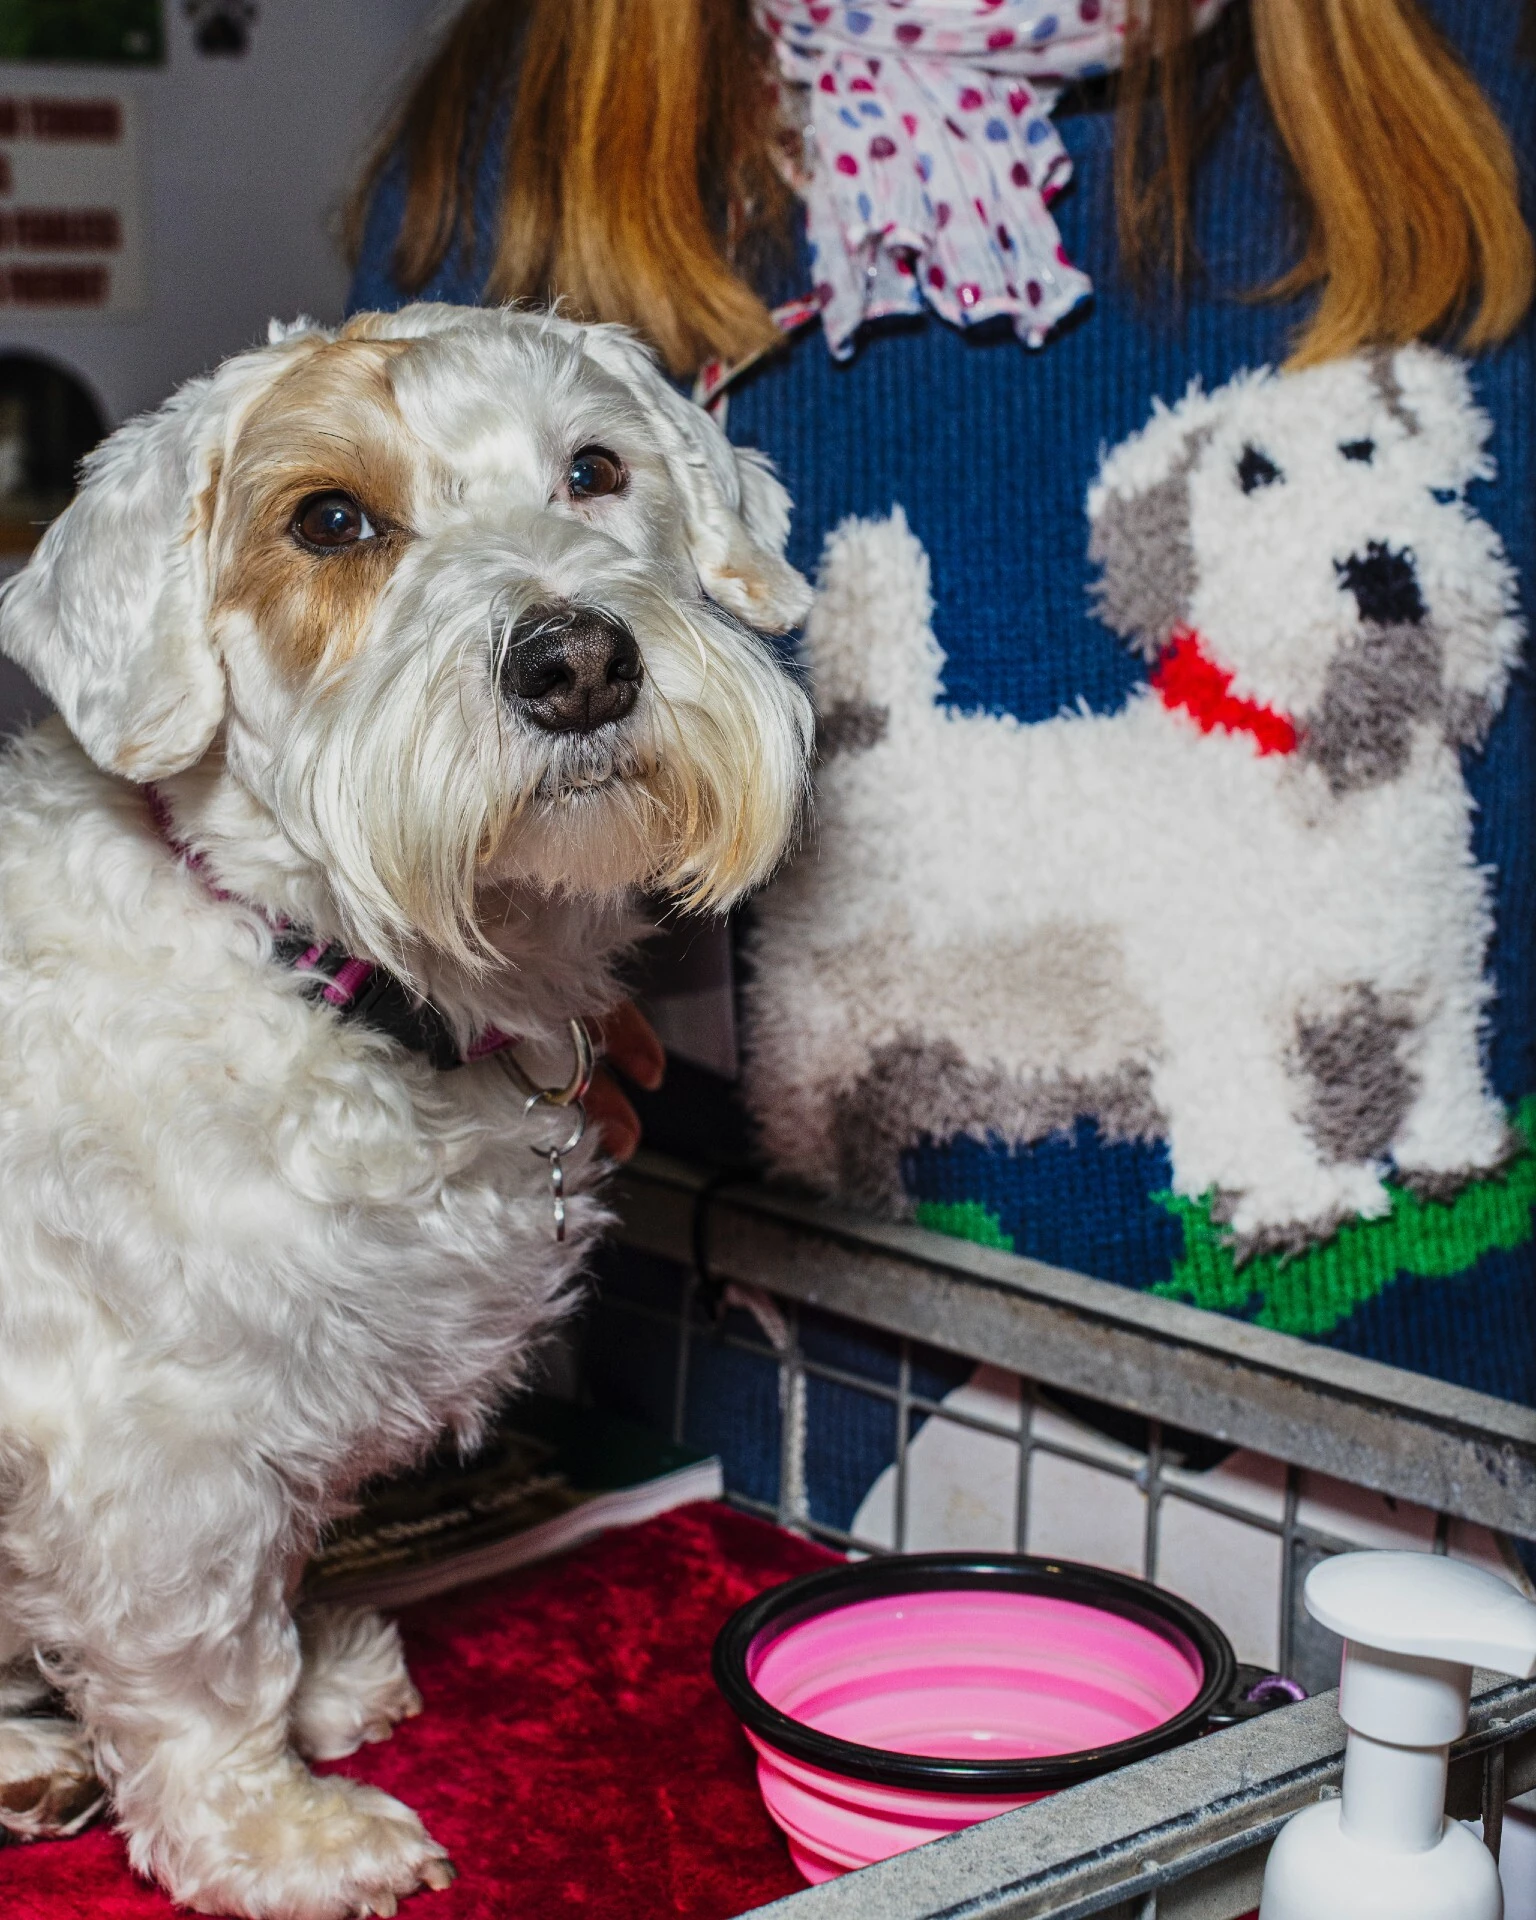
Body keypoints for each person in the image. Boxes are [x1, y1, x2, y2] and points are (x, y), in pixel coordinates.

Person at [348, 1, 1536, 1533]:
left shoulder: (1487, 71)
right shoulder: (520, 140)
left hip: (1456, 1533)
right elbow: (370, 800)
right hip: (746, 1496)